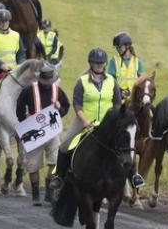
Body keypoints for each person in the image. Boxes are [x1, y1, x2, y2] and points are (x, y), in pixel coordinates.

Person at [47, 48, 144, 194]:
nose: (99, 65)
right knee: (65, 145)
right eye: (96, 63)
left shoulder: (111, 81)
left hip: (107, 122)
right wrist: (85, 121)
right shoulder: (82, 81)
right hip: (84, 120)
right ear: (91, 64)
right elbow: (77, 104)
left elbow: (117, 104)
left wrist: (115, 120)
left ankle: (134, 176)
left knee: (125, 143)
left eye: (101, 63)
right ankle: (59, 176)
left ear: (105, 64)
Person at [15, 64, 69, 205]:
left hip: (52, 131)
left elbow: (66, 106)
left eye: (49, 82)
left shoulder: (57, 91)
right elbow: (19, 106)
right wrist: (24, 122)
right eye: (45, 82)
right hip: (34, 132)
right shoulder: (29, 90)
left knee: (56, 160)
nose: (47, 85)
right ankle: (36, 194)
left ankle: (49, 189)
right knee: (33, 164)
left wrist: (60, 110)